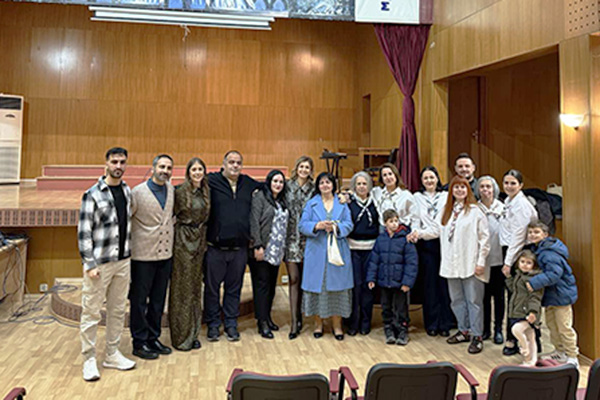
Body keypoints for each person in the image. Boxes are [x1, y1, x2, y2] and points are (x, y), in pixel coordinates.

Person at [78, 147, 136, 381]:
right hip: (100, 264)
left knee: (117, 310)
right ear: (106, 164)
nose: (118, 166)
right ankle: (89, 358)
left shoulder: (127, 191)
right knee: (91, 312)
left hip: (123, 261)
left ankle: (112, 353)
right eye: (114, 162)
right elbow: (84, 232)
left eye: (122, 162)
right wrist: (89, 264)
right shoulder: (92, 194)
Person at [418, 176, 490, 354]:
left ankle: (477, 335)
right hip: (451, 263)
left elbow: (484, 239)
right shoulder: (446, 210)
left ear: (468, 190)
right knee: (456, 300)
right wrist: (418, 234)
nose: (459, 190)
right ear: (451, 191)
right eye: (456, 187)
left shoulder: (475, 211)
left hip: (471, 263)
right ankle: (463, 330)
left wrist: (481, 262)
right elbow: (435, 230)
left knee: (473, 301)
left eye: (462, 187)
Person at [204, 150, 262, 342]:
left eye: (238, 162)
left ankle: (230, 324)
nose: (235, 166)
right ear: (223, 164)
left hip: (239, 249)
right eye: (231, 162)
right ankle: (213, 324)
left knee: (234, 289)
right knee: (212, 290)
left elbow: (270, 187)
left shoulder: (247, 183)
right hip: (215, 248)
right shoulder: (211, 181)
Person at [129, 154, 175, 360]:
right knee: (139, 302)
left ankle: (153, 337)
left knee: (158, 300)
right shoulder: (137, 192)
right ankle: (139, 342)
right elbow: (128, 219)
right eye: (162, 166)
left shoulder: (171, 190)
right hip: (142, 257)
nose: (165, 171)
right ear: (154, 167)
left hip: (165, 255)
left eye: (169, 168)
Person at [300, 172, 354, 341]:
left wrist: (336, 228)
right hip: (316, 252)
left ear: (333, 185)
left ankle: (337, 326)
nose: (325, 185)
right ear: (318, 186)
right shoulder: (311, 203)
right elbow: (302, 225)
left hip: (338, 252)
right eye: (322, 182)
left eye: (328, 182)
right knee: (318, 290)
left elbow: (349, 224)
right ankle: (318, 324)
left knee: (337, 290)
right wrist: (317, 226)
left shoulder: (342, 203)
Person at [169, 157, 210, 351]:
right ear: (188, 172)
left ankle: (193, 333)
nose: (197, 173)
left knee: (195, 288)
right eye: (194, 169)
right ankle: (181, 336)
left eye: (200, 169)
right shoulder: (179, 191)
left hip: (200, 240)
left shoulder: (206, 191)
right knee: (182, 289)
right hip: (183, 241)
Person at [408, 166, 454, 337]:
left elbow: (445, 222)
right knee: (430, 286)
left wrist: (424, 232)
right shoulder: (416, 197)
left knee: (444, 285)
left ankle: (445, 323)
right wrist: (416, 232)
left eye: (432, 177)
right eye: (426, 178)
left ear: (437, 179)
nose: (429, 181)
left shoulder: (446, 196)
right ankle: (432, 323)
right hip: (426, 247)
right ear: (422, 181)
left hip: (445, 245)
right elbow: (415, 220)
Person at [526, 221, 579, 367]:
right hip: (551, 296)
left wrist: (534, 282)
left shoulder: (549, 253)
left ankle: (572, 356)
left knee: (564, 327)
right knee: (552, 326)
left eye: (536, 232)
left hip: (561, 295)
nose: (532, 235)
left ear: (545, 234)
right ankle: (560, 351)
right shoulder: (539, 249)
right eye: (530, 232)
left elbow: (555, 274)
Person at [499, 169, 538, 356]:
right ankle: (516, 338)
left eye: (513, 183)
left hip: (518, 254)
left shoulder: (521, 205)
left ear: (521, 185)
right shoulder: (508, 201)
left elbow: (518, 236)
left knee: (520, 299)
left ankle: (520, 341)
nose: (509, 186)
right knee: (514, 299)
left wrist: (508, 262)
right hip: (511, 251)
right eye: (506, 183)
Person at [366, 209, 418, 345]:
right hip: (385, 281)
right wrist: (371, 278)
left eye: (396, 221)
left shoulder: (406, 239)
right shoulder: (381, 240)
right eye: (391, 221)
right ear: (385, 223)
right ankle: (389, 329)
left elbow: (411, 263)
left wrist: (407, 282)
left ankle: (402, 330)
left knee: (401, 307)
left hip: (400, 282)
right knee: (386, 306)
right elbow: (374, 261)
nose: (394, 224)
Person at [249, 169, 289, 339]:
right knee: (262, 287)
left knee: (272, 286)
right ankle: (261, 322)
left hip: (276, 250)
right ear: (269, 182)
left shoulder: (282, 200)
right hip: (262, 249)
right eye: (275, 181)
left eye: (281, 182)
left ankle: (268, 317)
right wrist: (257, 245)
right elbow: (254, 221)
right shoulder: (260, 197)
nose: (278, 184)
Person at [345, 171, 380, 336]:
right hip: (353, 249)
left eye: (364, 183)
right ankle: (353, 322)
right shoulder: (348, 203)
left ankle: (366, 322)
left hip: (371, 249)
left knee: (368, 286)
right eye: (358, 184)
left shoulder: (376, 202)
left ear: (369, 186)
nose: (361, 186)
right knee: (355, 286)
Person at [285, 156, 315, 340]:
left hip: (309, 239)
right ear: (296, 168)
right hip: (290, 239)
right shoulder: (287, 186)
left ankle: (303, 314)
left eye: (307, 167)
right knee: (293, 279)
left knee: (304, 280)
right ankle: (294, 321)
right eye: (301, 166)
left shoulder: (314, 188)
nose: (304, 170)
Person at [475, 175, 506, 344]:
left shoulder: (502, 208)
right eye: (482, 186)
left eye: (488, 186)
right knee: (484, 297)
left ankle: (498, 329)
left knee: (499, 296)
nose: (485, 189)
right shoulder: (475, 209)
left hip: (499, 258)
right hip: (482, 260)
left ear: (494, 189)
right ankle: (485, 329)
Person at [504, 250, 544, 366]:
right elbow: (514, 289)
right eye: (522, 262)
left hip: (528, 312)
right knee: (530, 336)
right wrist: (508, 277)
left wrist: (533, 312)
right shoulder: (519, 275)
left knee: (516, 329)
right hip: (518, 310)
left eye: (529, 262)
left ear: (534, 265)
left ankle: (524, 348)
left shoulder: (534, 279)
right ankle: (531, 360)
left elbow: (535, 297)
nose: (525, 265)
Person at [371, 162, 419, 230]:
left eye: (390, 174)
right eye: (384, 175)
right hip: (384, 229)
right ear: (382, 179)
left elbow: (415, 215)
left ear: (396, 175)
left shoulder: (406, 195)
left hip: (401, 228)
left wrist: (415, 230)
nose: (388, 177)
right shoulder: (377, 192)